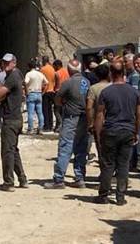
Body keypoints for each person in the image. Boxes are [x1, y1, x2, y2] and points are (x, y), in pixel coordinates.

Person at [94, 61, 140, 205]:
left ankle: (103, 195)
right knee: (123, 164)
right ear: (124, 73)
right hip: (127, 131)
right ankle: (120, 196)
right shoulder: (134, 92)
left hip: (110, 131)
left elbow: (100, 115)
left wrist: (98, 134)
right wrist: (136, 131)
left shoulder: (106, 92)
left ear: (111, 73)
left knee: (108, 164)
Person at [45, 59, 89, 189]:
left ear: (69, 70)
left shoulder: (68, 83)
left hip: (70, 118)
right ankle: (80, 177)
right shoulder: (86, 82)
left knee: (65, 147)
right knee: (81, 149)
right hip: (84, 118)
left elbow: (57, 99)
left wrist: (64, 103)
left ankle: (59, 179)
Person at [0, 53, 28, 191]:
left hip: (11, 118)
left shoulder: (12, 76)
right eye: (4, 62)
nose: (5, 65)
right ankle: (22, 179)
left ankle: (8, 182)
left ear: (14, 62)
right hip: (16, 118)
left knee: (7, 151)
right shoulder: (18, 74)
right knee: (13, 150)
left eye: (8, 62)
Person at [85, 64, 111, 160]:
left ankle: (104, 167)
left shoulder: (93, 89)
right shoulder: (113, 86)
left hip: (98, 121)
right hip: (113, 120)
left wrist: (90, 123)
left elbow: (89, 107)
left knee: (100, 146)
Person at [24, 59, 48, 134]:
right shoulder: (40, 74)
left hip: (31, 93)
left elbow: (25, 82)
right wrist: (43, 91)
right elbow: (47, 82)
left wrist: (26, 91)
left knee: (31, 113)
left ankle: (30, 129)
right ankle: (40, 128)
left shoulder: (29, 74)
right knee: (40, 113)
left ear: (29, 66)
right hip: (39, 93)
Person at [40, 56, 57, 132]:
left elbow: (42, 81)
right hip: (52, 90)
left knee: (45, 109)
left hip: (46, 91)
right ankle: (51, 125)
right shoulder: (52, 68)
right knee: (50, 109)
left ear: (44, 61)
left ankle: (46, 126)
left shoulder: (42, 69)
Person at [52, 59, 70, 132]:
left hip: (59, 92)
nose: (54, 68)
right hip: (67, 92)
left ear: (57, 65)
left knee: (56, 110)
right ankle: (61, 125)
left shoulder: (57, 73)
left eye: (54, 66)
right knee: (63, 110)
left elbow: (56, 85)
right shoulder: (67, 72)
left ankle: (60, 124)